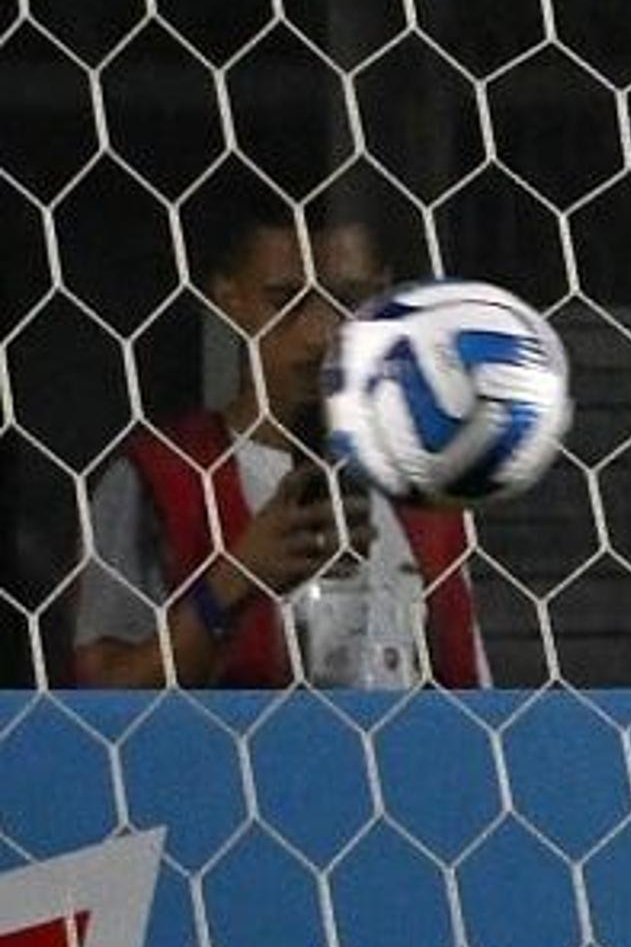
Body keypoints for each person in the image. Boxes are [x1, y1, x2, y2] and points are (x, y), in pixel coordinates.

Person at [73, 191, 484, 691]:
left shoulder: (424, 484)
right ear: (230, 298)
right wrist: (232, 582)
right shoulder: (157, 479)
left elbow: (473, 697)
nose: (319, 333)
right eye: (285, 300)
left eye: (348, 299)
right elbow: (95, 704)